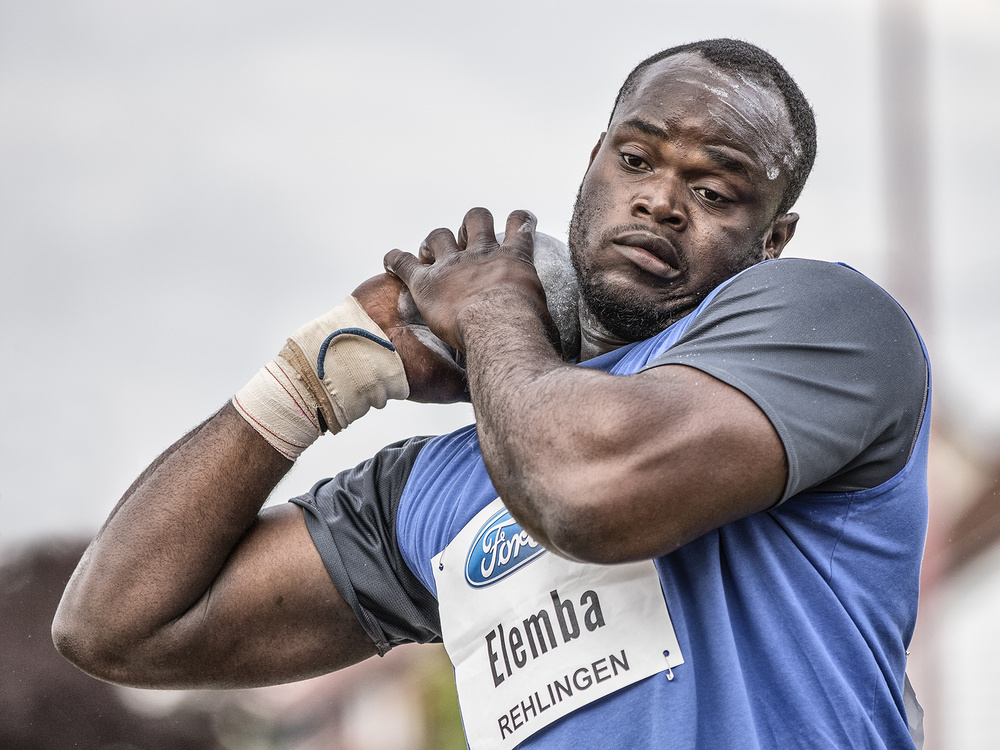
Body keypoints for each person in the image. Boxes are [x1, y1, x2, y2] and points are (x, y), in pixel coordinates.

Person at [53, 39, 929, 749]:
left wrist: (492, 314)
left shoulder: (828, 322)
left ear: (772, 238)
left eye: (713, 190)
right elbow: (117, 627)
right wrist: (320, 371)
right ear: (593, 162)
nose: (660, 201)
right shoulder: (437, 489)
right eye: (634, 159)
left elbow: (583, 493)